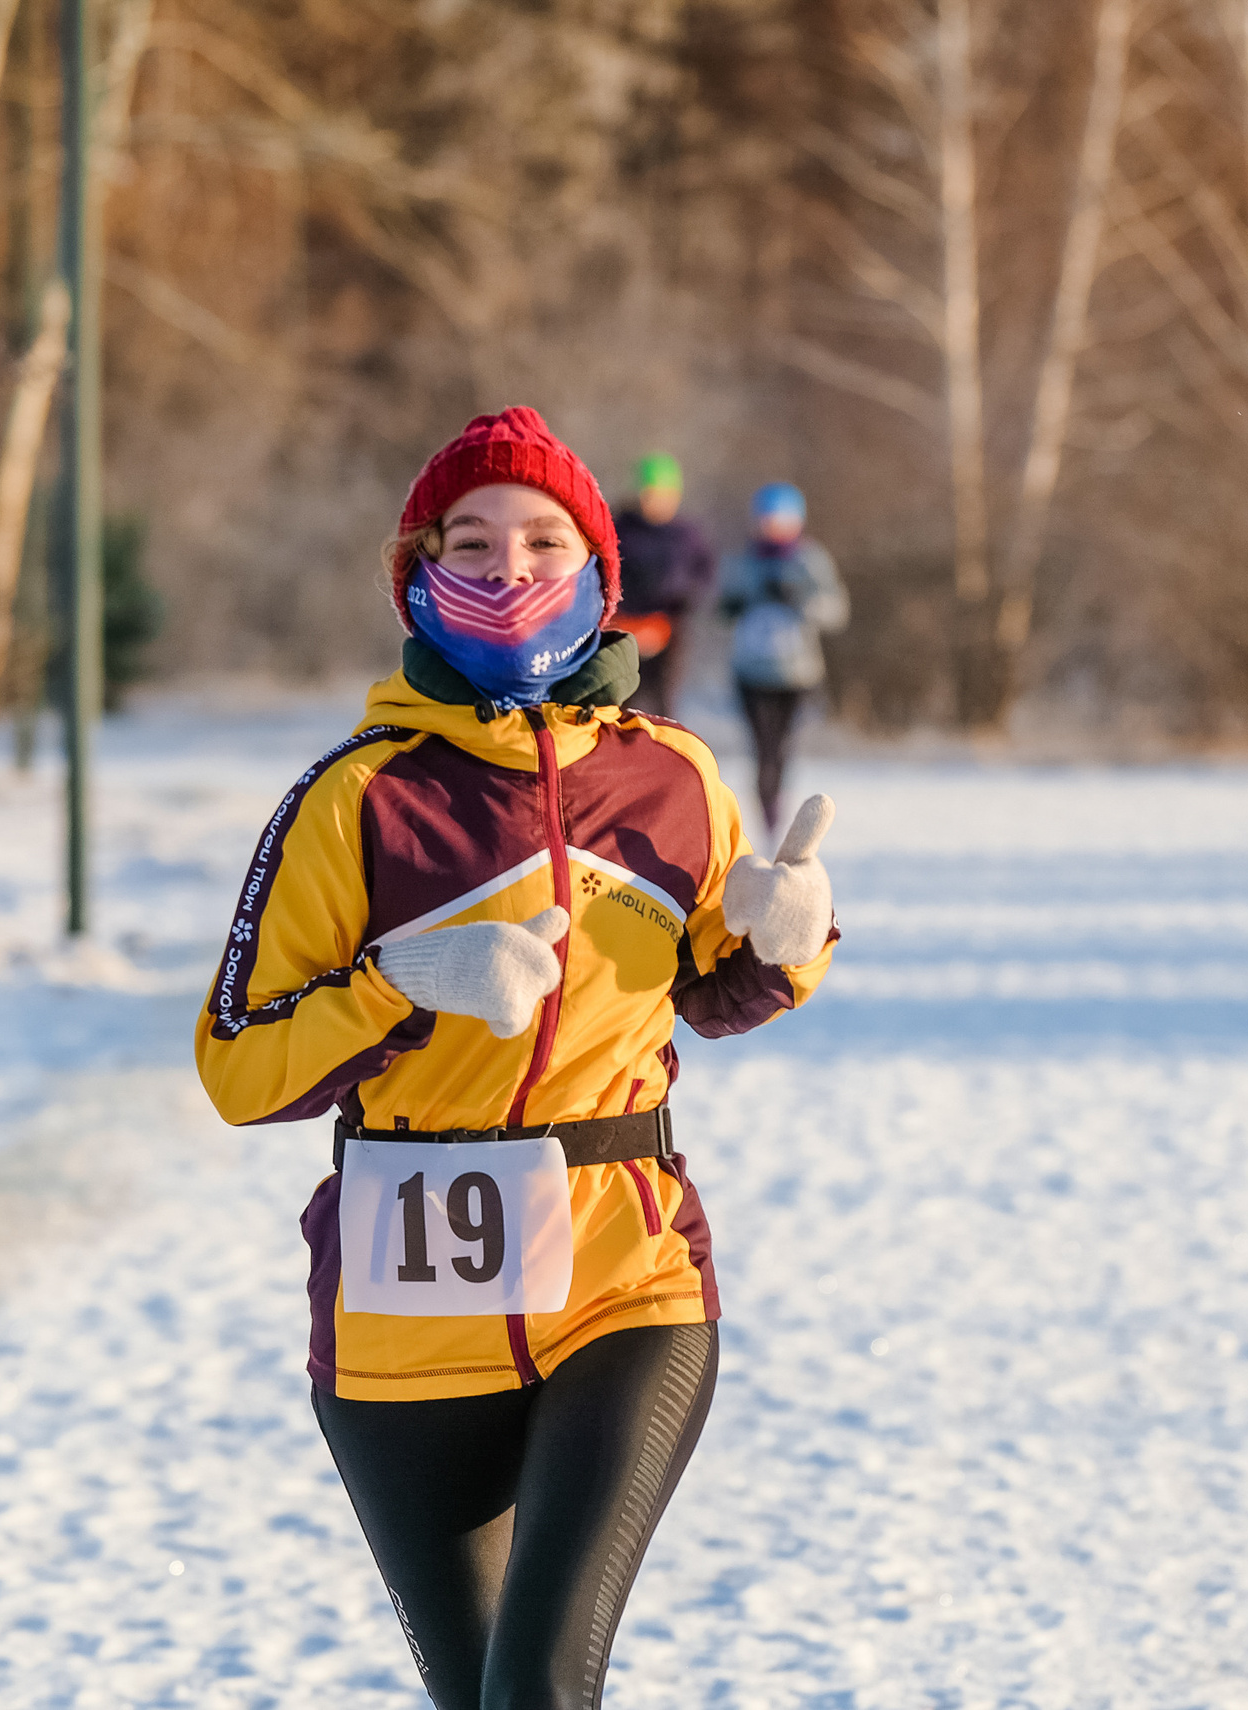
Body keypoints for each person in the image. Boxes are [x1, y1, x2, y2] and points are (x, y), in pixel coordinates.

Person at [195, 406, 840, 1710]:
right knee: (484, 1691)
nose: (508, 570)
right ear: (417, 574)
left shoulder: (672, 778)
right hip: (399, 1311)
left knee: (543, 1683)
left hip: (627, 1274)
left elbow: (719, 990)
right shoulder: (356, 797)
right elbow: (236, 1066)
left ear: (600, 575)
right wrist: (397, 985)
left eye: (542, 540)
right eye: (471, 542)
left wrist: (793, 937)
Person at [719, 482, 848, 832]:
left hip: (796, 673)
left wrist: (801, 601)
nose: (773, 527)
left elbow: (836, 610)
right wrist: (737, 603)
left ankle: (777, 802)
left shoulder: (809, 560)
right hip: (751, 671)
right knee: (762, 747)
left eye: (781, 520)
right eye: (766, 520)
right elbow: (721, 607)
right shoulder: (744, 560)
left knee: (784, 747)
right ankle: (767, 809)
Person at [610, 453, 716, 719]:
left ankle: (662, 751)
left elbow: (704, 573)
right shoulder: (620, 528)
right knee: (621, 699)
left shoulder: (686, 535)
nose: (657, 503)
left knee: (662, 701)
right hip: (624, 628)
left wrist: (684, 597)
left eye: (665, 495)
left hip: (669, 628)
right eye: (651, 494)